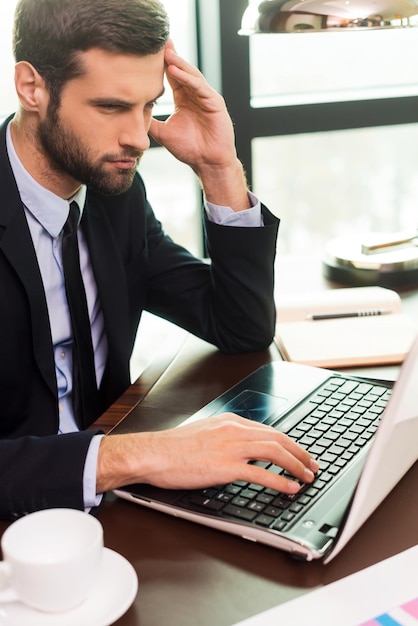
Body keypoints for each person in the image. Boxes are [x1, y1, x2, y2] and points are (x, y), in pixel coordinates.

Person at [0, 0, 319, 520]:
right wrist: (143, 453)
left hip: (114, 504)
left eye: (148, 105)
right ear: (32, 87)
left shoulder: (113, 196)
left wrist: (219, 169)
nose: (139, 136)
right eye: (110, 107)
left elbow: (239, 326)